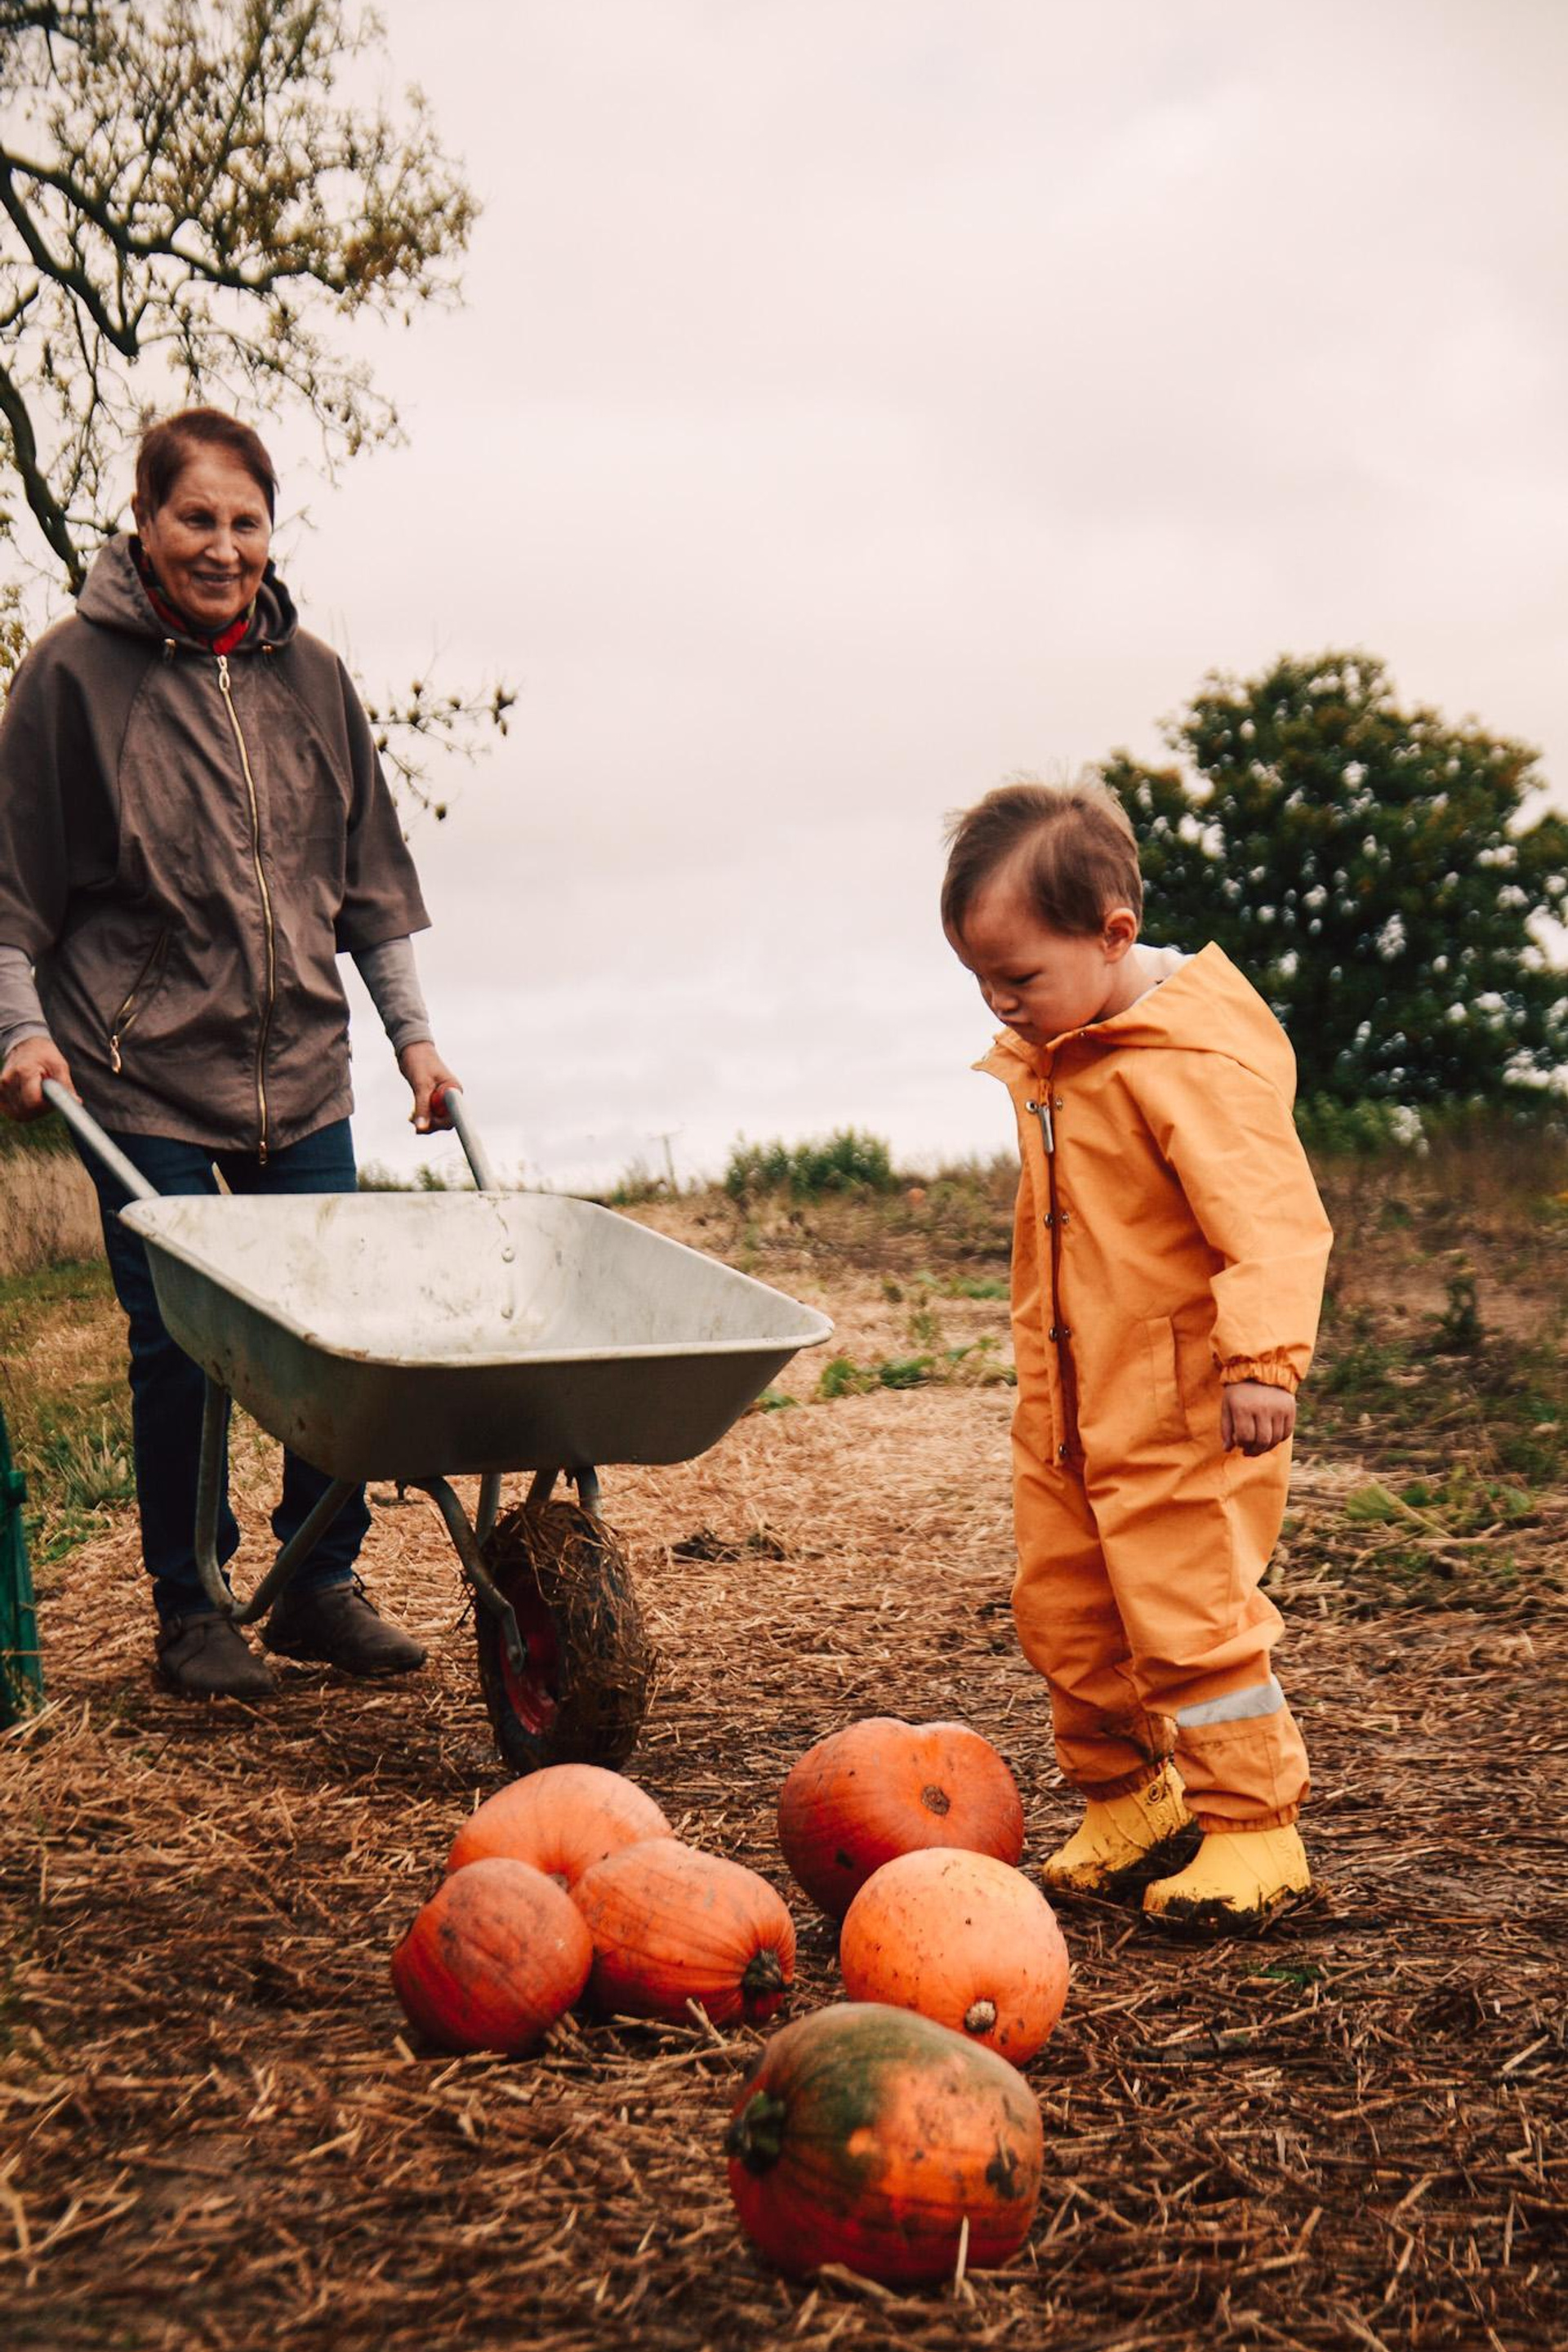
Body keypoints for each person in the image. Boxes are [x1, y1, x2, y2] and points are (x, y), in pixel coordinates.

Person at [0, 407, 461, 1700]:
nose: (222, 547)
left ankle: (317, 1581)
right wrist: (23, 1031)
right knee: (182, 1339)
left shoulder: (312, 678)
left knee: (330, 1332)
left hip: (300, 1066)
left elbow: (369, 884)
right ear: (145, 524)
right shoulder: (71, 679)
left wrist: (416, 1041)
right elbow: (12, 891)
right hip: (135, 1070)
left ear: (272, 530)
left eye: (245, 521)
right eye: (194, 518)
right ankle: (193, 1605)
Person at [942, 782, 1333, 1931]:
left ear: (1115, 935)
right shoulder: (1067, 1051)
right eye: (981, 982)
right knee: (1066, 1609)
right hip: (1071, 1404)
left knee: (1188, 1613)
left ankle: (1256, 1828)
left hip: (1182, 1405)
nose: (1002, 1006)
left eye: (1021, 978)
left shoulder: (1191, 1058)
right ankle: (1128, 1801)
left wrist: (1263, 1358)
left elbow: (1270, 1215)